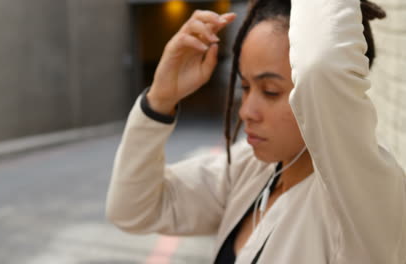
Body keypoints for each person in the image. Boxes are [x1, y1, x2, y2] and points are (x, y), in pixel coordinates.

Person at [106, 0, 406, 263]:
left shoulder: (362, 202)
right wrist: (160, 98)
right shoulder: (250, 169)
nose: (246, 111)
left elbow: (321, 66)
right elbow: (133, 209)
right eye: (245, 87)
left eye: (271, 91)